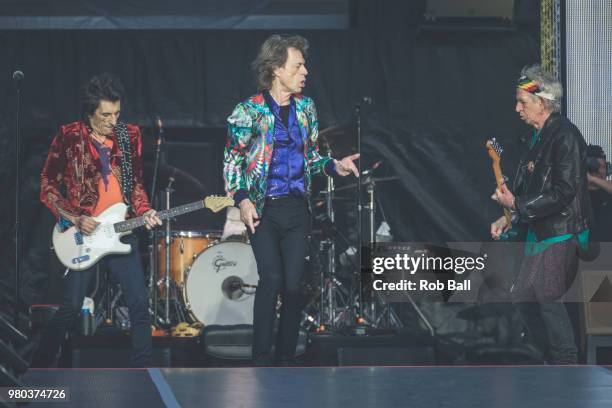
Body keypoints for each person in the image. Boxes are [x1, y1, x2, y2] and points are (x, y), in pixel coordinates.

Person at [224, 34, 359, 365]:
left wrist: (333, 166)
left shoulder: (306, 109)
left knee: (294, 286)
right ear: (276, 69)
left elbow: (311, 157)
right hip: (263, 210)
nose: (305, 71)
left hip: (297, 209)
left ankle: (285, 358)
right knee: (271, 278)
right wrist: (242, 201)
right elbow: (232, 162)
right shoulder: (248, 111)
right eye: (298, 65)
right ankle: (261, 356)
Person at [32, 73, 162, 368]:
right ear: (90, 112)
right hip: (84, 232)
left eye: (117, 113)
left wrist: (145, 212)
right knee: (71, 307)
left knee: (139, 303)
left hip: (120, 229)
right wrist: (75, 217)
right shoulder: (69, 136)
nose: (112, 120)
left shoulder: (129, 136)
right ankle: (39, 368)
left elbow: (136, 184)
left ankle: (144, 370)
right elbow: (47, 185)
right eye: (105, 115)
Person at [490, 64, 591, 364]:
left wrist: (517, 206)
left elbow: (563, 192)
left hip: (562, 232)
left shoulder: (565, 136)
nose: (517, 108)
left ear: (542, 102)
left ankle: (567, 368)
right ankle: (549, 363)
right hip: (540, 233)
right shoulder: (535, 140)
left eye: (523, 101)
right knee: (523, 299)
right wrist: (506, 214)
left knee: (548, 299)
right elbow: (525, 195)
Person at [586, 144, 612, 242]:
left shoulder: (608, 192)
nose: (601, 171)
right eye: (597, 167)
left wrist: (593, 179)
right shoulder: (577, 194)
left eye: (604, 166)